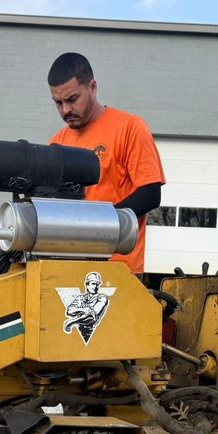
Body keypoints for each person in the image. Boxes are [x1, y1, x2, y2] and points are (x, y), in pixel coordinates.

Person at [47, 53, 164, 275]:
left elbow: (150, 193)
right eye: (58, 103)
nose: (65, 110)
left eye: (72, 99)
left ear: (92, 87)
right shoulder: (57, 143)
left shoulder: (129, 127)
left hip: (118, 269)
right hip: (67, 267)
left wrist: (97, 225)